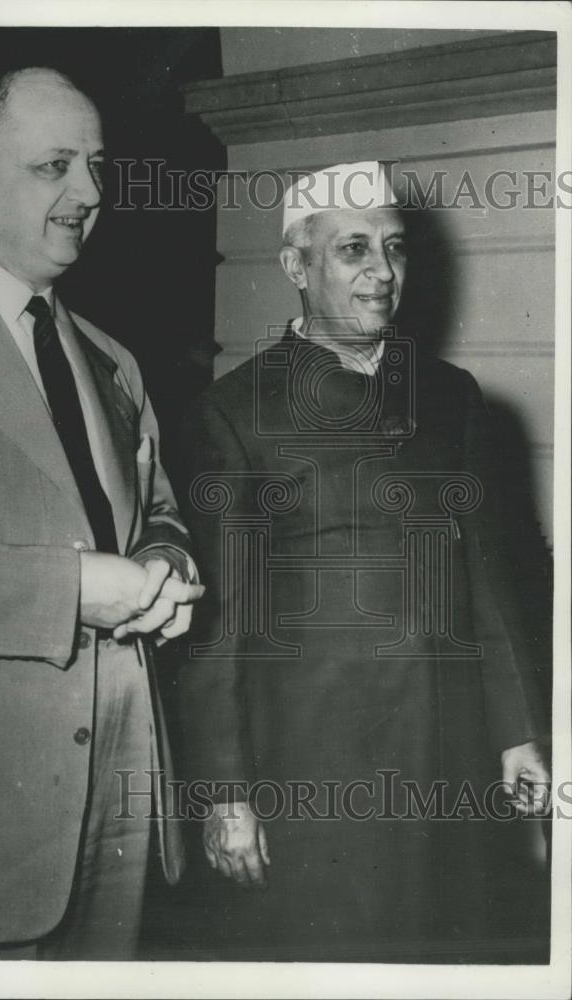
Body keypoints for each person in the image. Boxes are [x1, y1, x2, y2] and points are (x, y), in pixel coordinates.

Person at [174, 162, 551, 962]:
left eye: (395, 247)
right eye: (353, 249)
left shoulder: (452, 396)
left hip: (451, 757)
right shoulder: (233, 412)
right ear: (295, 266)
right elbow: (219, 631)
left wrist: (518, 734)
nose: (382, 272)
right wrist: (226, 793)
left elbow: (488, 577)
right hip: (316, 770)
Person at [0, 66, 203, 960]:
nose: (90, 194)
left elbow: (157, 515)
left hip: (120, 810)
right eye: (55, 166)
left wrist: (166, 564)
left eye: (96, 167)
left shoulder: (111, 359)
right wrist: (70, 589)